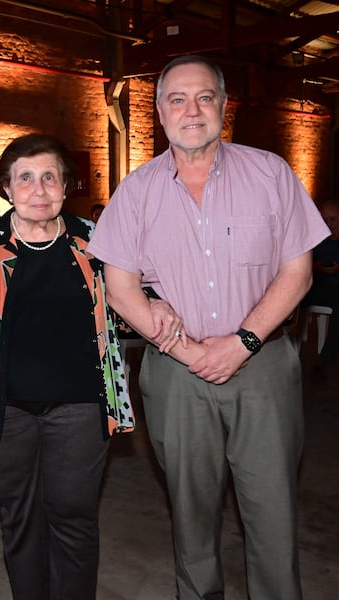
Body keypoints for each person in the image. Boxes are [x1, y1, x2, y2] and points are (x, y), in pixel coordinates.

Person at [87, 55, 329, 599]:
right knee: (191, 511)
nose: (191, 110)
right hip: (177, 373)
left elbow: (299, 271)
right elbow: (119, 287)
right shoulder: (137, 191)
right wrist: (190, 351)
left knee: (272, 508)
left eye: (204, 97)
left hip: (263, 368)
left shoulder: (270, 173)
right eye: (177, 98)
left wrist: (242, 342)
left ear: (224, 104)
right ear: (158, 110)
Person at [0, 133, 181, 600]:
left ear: (66, 186)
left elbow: (142, 284)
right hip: (3, 410)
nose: (38, 189)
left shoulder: (97, 241)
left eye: (49, 177)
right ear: (7, 187)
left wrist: (158, 301)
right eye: (25, 178)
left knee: (74, 517)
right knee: (18, 519)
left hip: (81, 405)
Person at [301, 202, 339, 381]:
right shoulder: (316, 238)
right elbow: (303, 266)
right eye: (324, 220)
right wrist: (320, 268)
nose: (329, 223)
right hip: (317, 287)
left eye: (332, 219)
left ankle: (322, 361)